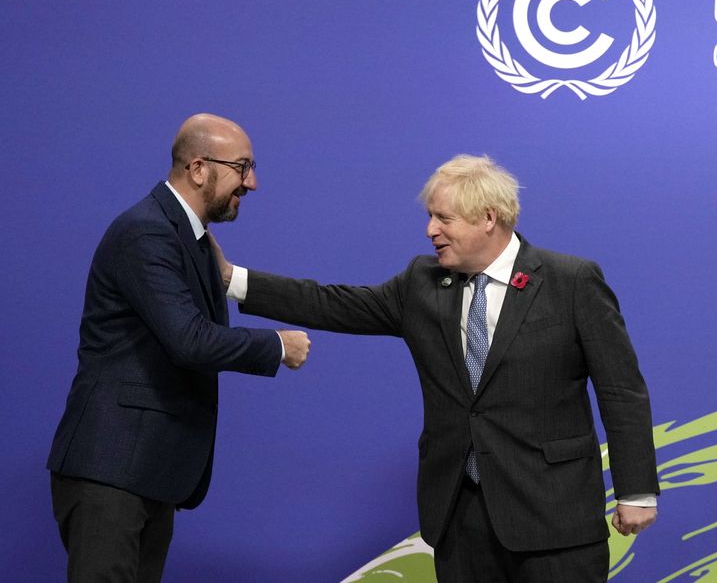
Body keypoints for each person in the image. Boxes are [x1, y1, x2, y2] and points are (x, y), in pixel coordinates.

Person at [223, 154, 659, 581]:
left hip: (555, 518)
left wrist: (636, 490)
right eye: (431, 217)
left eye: (443, 219)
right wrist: (231, 280)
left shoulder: (572, 281)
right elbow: (330, 302)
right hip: (461, 519)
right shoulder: (422, 282)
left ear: (488, 217)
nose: (431, 231)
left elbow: (621, 390)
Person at [46, 113, 312, 582]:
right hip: (112, 471)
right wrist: (276, 345)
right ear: (198, 168)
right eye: (243, 167)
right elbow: (190, 341)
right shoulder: (146, 231)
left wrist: (229, 278)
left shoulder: (183, 236)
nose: (252, 182)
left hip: (145, 471)